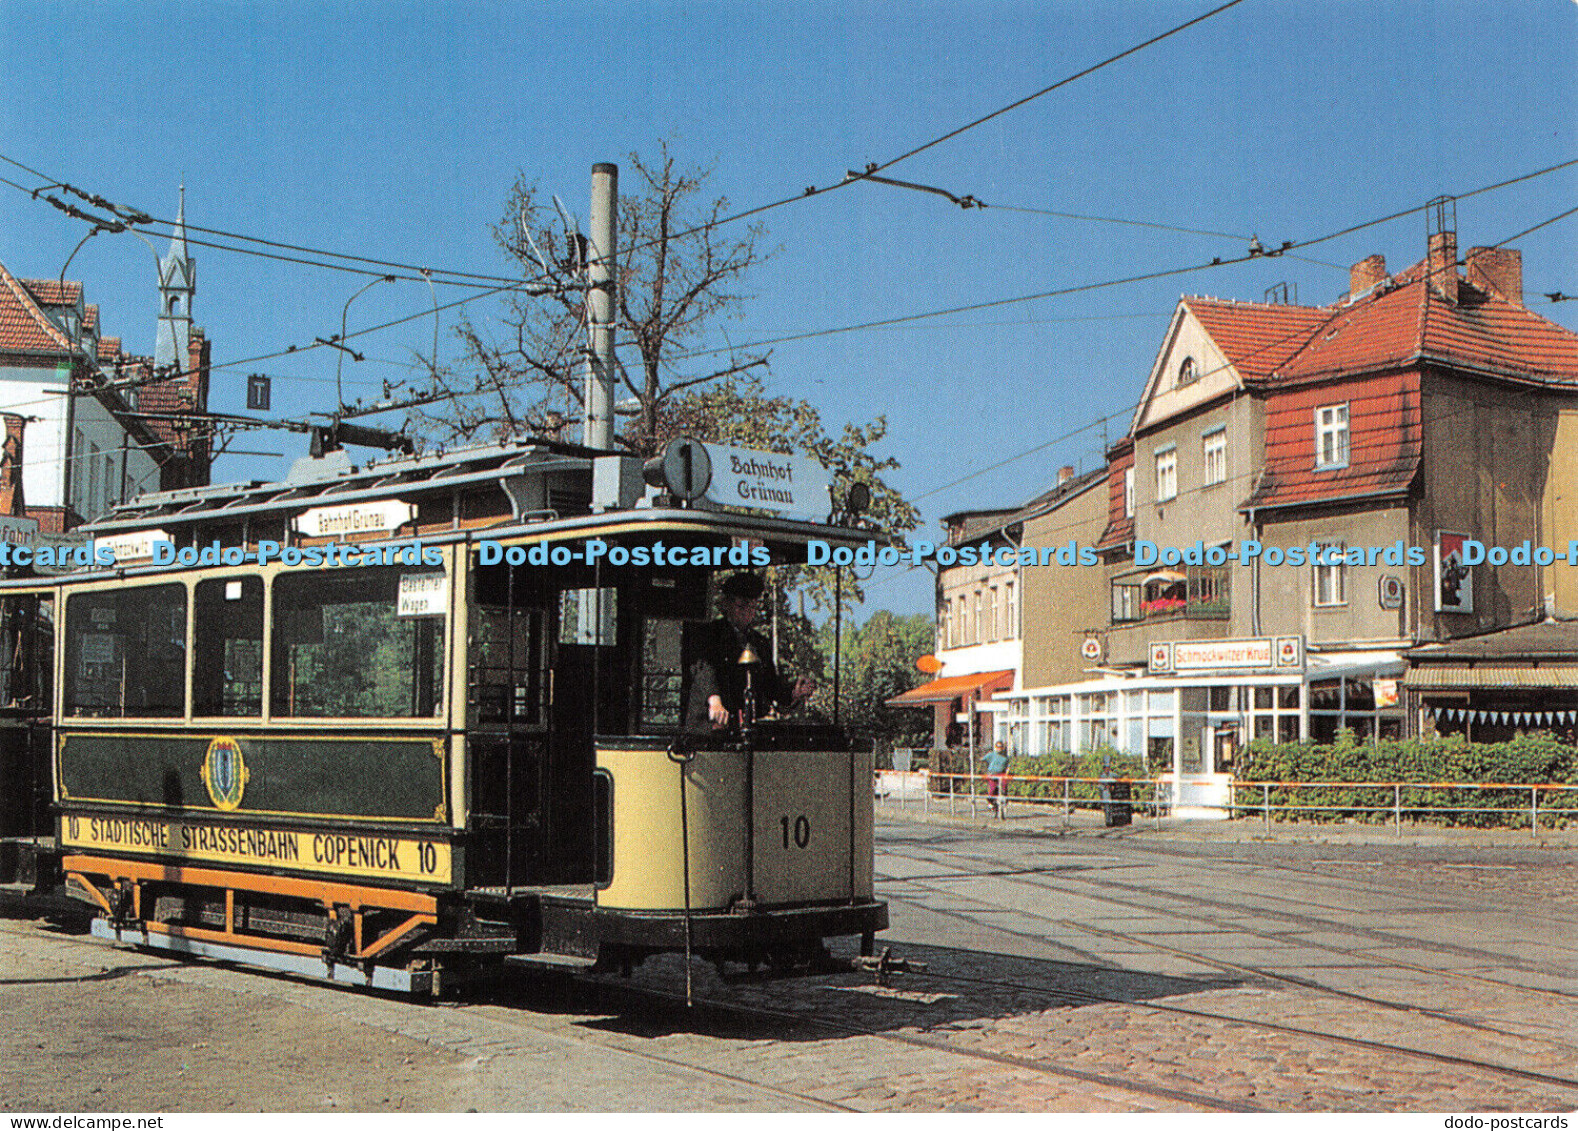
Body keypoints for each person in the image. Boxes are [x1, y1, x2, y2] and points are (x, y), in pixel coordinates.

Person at [685, 572, 815, 733]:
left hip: (747, 732)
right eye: (742, 606)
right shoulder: (709, 634)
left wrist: (795, 692)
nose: (748, 612)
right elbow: (703, 670)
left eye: (753, 606)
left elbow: (771, 685)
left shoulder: (759, 643)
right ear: (727, 604)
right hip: (709, 730)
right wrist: (714, 700)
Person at [984, 740, 1011, 819]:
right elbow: (983, 759)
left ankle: (1004, 799)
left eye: (1001, 747)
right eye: (998, 747)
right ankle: (991, 802)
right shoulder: (991, 754)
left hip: (1001, 774)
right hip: (992, 774)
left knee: (1004, 787)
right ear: (995, 747)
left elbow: (1008, 766)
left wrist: (1006, 773)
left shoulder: (1005, 757)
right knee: (992, 789)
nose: (999, 748)